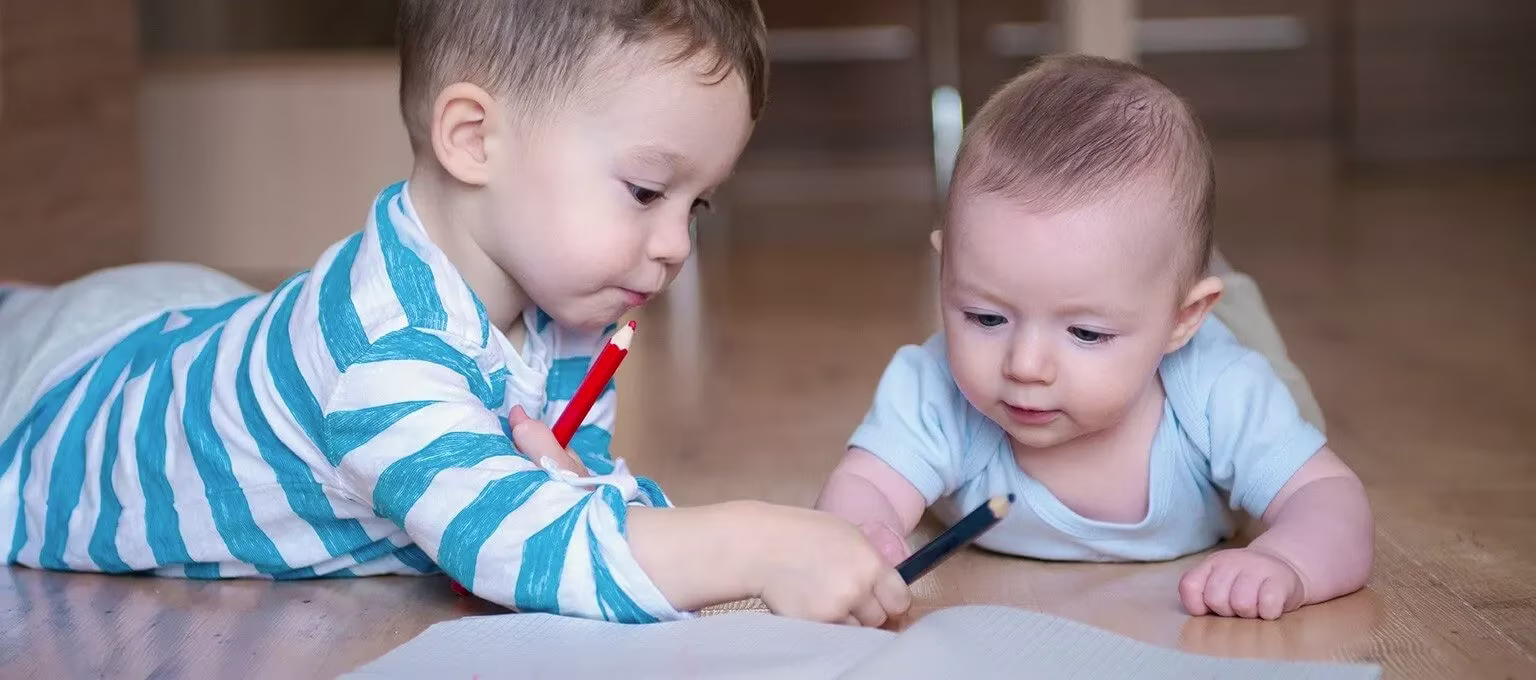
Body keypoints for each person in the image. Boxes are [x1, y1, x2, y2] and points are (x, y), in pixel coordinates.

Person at [0, 0, 910, 628]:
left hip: (192, 321)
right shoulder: (383, 358)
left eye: (697, 205)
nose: (676, 243)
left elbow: (572, 503)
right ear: (474, 138)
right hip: (58, 398)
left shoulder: (571, 314)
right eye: (646, 190)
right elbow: (530, 546)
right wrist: (759, 543)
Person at [815, 54, 1373, 621]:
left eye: (1085, 332)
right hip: (1146, 311)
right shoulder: (935, 388)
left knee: (1281, 386)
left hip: (1207, 357)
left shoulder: (1219, 390)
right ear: (945, 275)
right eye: (986, 318)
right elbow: (866, 483)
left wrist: (1288, 561)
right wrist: (860, 537)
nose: (1026, 365)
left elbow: (1329, 499)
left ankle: (1217, 286)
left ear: (1183, 320)